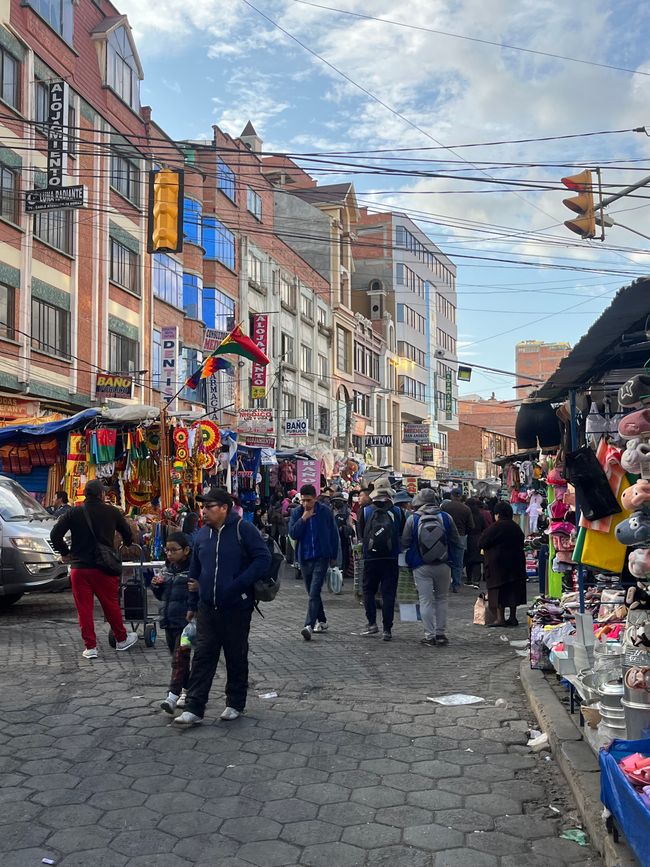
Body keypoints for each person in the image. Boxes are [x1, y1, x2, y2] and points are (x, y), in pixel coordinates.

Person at [174, 488, 271, 726]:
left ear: (224, 508)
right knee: (203, 656)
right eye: (203, 507)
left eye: (209, 506)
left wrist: (239, 584)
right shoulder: (201, 536)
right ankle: (194, 707)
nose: (204, 511)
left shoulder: (242, 529)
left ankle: (235, 703)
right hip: (207, 607)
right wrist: (192, 603)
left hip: (237, 606)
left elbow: (263, 559)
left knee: (235, 655)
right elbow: (194, 572)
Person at [50, 480, 138, 658]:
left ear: (85, 494)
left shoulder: (73, 512)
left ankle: (90, 648)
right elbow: (128, 535)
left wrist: (65, 552)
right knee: (110, 604)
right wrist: (127, 542)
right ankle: (121, 639)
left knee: (84, 609)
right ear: (101, 495)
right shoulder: (112, 512)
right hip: (103, 567)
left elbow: (55, 534)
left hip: (79, 568)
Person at [401, 488, 460, 647]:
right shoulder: (446, 518)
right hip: (443, 564)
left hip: (421, 566)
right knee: (442, 599)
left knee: (425, 600)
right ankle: (441, 634)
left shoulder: (413, 519)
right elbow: (456, 541)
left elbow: (405, 542)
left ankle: (429, 635)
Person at [151, 532, 195, 714]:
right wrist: (156, 586)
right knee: (179, 660)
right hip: (168, 621)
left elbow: (195, 595)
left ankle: (172, 696)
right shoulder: (166, 569)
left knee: (179, 658)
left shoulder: (193, 570)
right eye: (167, 550)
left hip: (186, 625)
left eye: (173, 550)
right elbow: (161, 596)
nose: (169, 554)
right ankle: (189, 690)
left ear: (186, 550)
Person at [289, 484, 339, 641]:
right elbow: (293, 533)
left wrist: (334, 556)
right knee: (312, 592)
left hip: (321, 557)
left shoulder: (324, 512)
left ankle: (308, 625)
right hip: (304, 558)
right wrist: (303, 519)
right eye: (303, 500)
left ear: (315, 498)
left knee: (314, 590)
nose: (305, 504)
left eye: (308, 500)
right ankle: (322, 621)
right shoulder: (297, 512)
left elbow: (333, 534)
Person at [357, 480, 405, 641]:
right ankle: (387, 629)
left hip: (371, 558)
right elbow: (401, 534)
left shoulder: (365, 511)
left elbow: (361, 536)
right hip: (391, 558)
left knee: (368, 590)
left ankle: (371, 623)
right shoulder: (398, 511)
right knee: (389, 593)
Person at [478, 501, 527, 627]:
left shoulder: (495, 527)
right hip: (516, 564)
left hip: (498, 565)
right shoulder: (516, 527)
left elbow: (482, 542)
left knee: (499, 591)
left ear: (497, 514)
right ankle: (513, 617)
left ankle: (500, 619)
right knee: (513, 590)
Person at [441, 489, 474, 593]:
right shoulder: (466, 509)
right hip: (461, 536)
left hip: (446, 536)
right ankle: (456, 584)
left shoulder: (445, 507)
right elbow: (471, 526)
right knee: (458, 562)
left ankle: (444, 584)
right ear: (460, 497)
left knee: (444, 561)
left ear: (451, 496)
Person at [332, 494, 354, 577]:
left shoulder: (346, 513)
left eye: (340, 500)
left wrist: (343, 528)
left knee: (344, 554)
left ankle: (343, 571)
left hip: (343, 537)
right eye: (336, 500)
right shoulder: (330, 511)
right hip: (332, 537)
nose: (337, 502)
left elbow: (350, 526)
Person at [464, 498, 486, 585]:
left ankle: (469, 579)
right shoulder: (480, 515)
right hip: (479, 537)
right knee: (477, 559)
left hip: (469, 537)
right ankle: (476, 579)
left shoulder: (467, 515)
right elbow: (484, 526)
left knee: (469, 559)